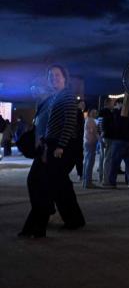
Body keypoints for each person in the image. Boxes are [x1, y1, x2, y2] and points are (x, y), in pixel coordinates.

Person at [19, 64, 85, 238]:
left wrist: (60, 147)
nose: (54, 78)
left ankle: (36, 227)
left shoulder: (67, 96)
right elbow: (49, 124)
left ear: (64, 78)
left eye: (57, 75)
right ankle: (73, 220)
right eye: (51, 76)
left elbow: (70, 123)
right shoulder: (54, 97)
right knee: (57, 185)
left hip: (58, 147)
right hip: (49, 145)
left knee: (40, 184)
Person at [105, 99, 129, 188]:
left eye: (116, 104)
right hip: (128, 140)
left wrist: (116, 111)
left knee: (115, 161)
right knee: (128, 162)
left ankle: (112, 182)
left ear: (120, 104)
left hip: (118, 140)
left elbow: (116, 126)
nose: (115, 105)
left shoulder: (118, 113)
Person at [82, 109, 99, 188]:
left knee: (86, 162)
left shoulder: (87, 120)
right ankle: (88, 182)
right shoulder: (91, 121)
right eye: (93, 112)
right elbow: (94, 132)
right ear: (90, 113)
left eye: (96, 112)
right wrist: (99, 139)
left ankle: (85, 181)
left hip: (87, 142)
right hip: (90, 142)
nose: (95, 114)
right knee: (89, 162)